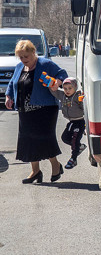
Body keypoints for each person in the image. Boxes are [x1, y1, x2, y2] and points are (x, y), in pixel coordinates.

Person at [4, 40, 66, 184]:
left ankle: (56, 166)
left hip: (45, 109)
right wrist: (9, 96)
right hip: (25, 111)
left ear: (33, 53)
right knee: (28, 140)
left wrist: (57, 83)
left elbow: (61, 74)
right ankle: (35, 171)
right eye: (21, 57)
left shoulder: (45, 64)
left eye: (26, 56)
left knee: (45, 138)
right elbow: (13, 82)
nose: (24, 60)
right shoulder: (20, 67)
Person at [49, 77, 86, 169]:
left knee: (75, 140)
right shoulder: (63, 96)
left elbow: (84, 108)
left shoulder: (77, 96)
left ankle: (73, 159)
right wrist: (50, 85)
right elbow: (54, 92)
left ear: (75, 87)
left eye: (70, 88)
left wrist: (82, 101)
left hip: (80, 122)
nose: (67, 90)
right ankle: (79, 147)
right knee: (65, 138)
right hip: (71, 122)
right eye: (65, 88)